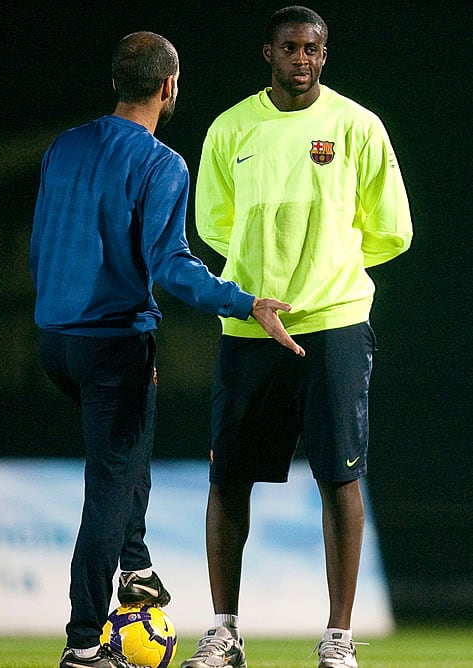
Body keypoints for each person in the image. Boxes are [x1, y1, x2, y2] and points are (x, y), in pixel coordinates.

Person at [29, 31, 305, 668]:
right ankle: (81, 645)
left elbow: (41, 244)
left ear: (119, 83)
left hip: (56, 343)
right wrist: (246, 302)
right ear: (169, 87)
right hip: (111, 345)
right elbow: (173, 268)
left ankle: (137, 568)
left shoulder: (63, 146)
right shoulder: (160, 163)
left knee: (128, 457)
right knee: (109, 488)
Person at [180, 6, 412, 668]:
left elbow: (391, 228)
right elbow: (215, 226)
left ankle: (337, 639)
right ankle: (225, 633)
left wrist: (324, 273)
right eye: (290, 48)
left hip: (334, 324)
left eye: (313, 48)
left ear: (323, 55)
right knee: (228, 479)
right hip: (249, 323)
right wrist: (263, 282)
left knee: (340, 478)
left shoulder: (356, 126)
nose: (302, 58)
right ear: (268, 54)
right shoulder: (231, 128)